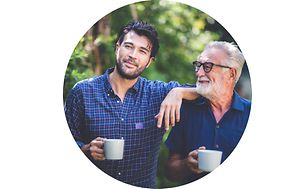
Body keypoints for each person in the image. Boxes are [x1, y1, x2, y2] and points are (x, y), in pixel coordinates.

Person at [64, 20, 198, 188]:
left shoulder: (158, 93)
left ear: (149, 61)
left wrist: (179, 92)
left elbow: (207, 91)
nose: (133, 55)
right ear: (117, 47)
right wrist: (87, 150)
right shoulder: (83, 92)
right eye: (128, 46)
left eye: (142, 51)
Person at [165, 41, 251, 184]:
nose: (198, 73)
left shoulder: (249, 114)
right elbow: (169, 172)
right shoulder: (187, 110)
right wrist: (187, 164)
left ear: (231, 73)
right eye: (198, 65)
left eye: (207, 66)